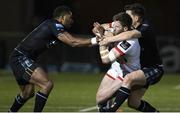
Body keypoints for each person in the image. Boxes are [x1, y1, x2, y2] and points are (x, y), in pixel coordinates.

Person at [8, 5, 98, 112]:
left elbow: (78, 41)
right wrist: (96, 39)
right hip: (21, 57)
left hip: (20, 57)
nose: (72, 21)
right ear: (63, 17)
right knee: (47, 84)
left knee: (27, 93)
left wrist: (99, 39)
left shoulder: (56, 28)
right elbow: (73, 42)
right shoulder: (54, 25)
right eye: (70, 18)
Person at [98, 3, 164, 112]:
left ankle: (111, 110)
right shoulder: (129, 26)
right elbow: (107, 25)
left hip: (154, 69)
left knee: (129, 78)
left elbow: (130, 35)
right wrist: (102, 28)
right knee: (133, 103)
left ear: (137, 18)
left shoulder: (145, 28)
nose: (126, 18)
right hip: (140, 70)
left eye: (128, 16)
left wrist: (108, 39)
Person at [95, 12, 141, 112]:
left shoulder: (129, 42)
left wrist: (102, 43)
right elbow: (102, 28)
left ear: (125, 29)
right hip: (115, 69)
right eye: (113, 26)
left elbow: (105, 59)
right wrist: (101, 31)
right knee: (99, 100)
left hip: (127, 73)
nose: (113, 28)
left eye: (117, 27)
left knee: (101, 99)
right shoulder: (118, 31)